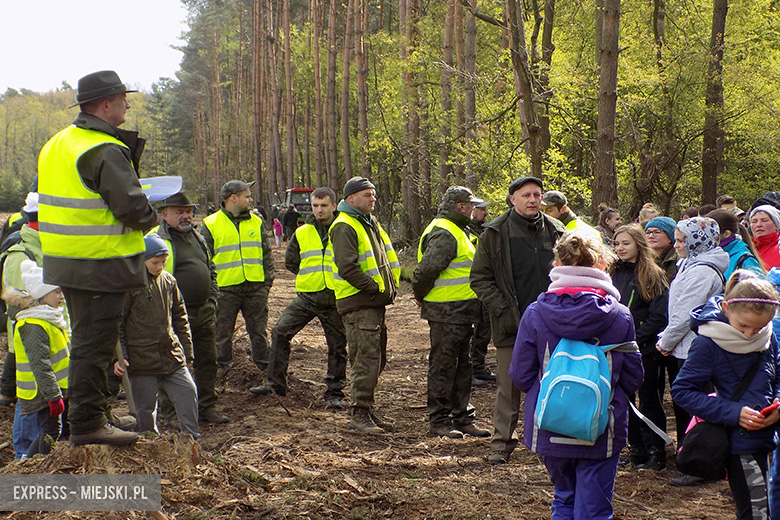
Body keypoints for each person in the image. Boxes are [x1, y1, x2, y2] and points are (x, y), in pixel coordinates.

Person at [38, 70, 157, 446]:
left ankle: (90, 415)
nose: (128, 104)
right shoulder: (102, 148)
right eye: (124, 98)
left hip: (67, 262)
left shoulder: (59, 142)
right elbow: (132, 209)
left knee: (88, 341)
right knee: (95, 344)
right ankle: (88, 423)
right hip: (100, 264)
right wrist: (154, 211)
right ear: (106, 104)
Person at [510, 232, 643, 520]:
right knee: (594, 509)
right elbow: (633, 377)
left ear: (556, 264)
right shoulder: (619, 315)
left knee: (564, 498)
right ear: (603, 265)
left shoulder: (535, 313)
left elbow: (520, 374)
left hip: (550, 422)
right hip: (602, 425)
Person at [470, 177, 566, 464]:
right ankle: (501, 445)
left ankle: (554, 443)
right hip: (512, 324)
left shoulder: (557, 231)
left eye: (537, 195)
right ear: (513, 199)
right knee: (509, 386)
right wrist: (502, 310)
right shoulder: (495, 232)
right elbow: (480, 279)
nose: (533, 200)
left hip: (554, 323)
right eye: (526, 195)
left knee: (555, 382)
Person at [672, 272, 780, 520]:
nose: (751, 334)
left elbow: (778, 375)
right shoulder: (709, 342)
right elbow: (682, 391)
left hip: (768, 437)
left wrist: (778, 404)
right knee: (756, 512)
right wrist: (734, 412)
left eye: (760, 327)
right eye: (743, 326)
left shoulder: (768, 335)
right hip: (740, 444)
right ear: (726, 308)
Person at [249, 187, 348, 410]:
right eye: (315, 206)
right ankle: (275, 385)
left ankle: (335, 393)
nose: (319, 210)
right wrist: (311, 276)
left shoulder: (345, 229)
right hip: (308, 296)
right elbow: (291, 262)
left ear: (334, 205)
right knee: (280, 331)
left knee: (337, 345)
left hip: (335, 297)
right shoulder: (302, 232)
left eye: (324, 205)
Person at [656, 216, 729, 487]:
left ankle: (700, 463)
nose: (675, 245)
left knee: (694, 407)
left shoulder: (702, 271)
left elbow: (686, 314)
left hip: (693, 349)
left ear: (697, 241)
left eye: (680, 240)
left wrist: (665, 342)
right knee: (685, 406)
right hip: (683, 347)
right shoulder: (692, 264)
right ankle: (689, 456)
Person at [412, 186, 490, 439]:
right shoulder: (444, 232)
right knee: (444, 366)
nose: (475, 210)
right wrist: (420, 296)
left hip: (462, 312)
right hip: (446, 312)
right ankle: (439, 420)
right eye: (471, 205)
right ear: (460, 207)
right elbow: (426, 271)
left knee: (462, 367)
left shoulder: (458, 230)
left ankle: (462, 417)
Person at [325, 177, 400, 434]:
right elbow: (347, 267)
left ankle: (367, 409)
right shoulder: (345, 225)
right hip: (360, 304)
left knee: (376, 358)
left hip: (372, 303)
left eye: (374, 194)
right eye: (367, 194)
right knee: (365, 359)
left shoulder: (366, 222)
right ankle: (359, 415)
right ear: (350, 199)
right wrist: (373, 288)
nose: (373, 198)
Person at [151, 192, 228, 425]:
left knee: (208, 360)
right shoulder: (156, 240)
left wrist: (212, 299)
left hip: (203, 310)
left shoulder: (198, 237)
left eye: (188, 211)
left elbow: (211, 270)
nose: (185, 216)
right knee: (172, 364)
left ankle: (206, 406)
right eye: (179, 212)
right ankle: (172, 413)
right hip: (172, 315)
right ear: (165, 214)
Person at [113, 235, 199, 438]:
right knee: (145, 409)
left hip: (171, 355)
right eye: (155, 262)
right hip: (141, 360)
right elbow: (118, 325)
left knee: (188, 391)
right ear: (141, 259)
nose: (160, 266)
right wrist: (119, 356)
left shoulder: (169, 280)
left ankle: (191, 439)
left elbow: (180, 317)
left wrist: (187, 352)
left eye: (164, 262)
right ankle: (149, 443)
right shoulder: (130, 286)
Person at [201, 180, 275, 386]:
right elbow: (204, 259)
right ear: (233, 198)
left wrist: (267, 283)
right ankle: (221, 375)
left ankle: (264, 373)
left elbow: (267, 254)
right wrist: (212, 288)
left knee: (259, 333)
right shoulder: (210, 224)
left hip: (255, 288)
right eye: (247, 195)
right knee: (221, 334)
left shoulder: (257, 222)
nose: (251, 199)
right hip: (225, 291)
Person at [611, 224, 669, 470]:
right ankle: (636, 450)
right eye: (617, 243)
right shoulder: (611, 273)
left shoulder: (652, 274)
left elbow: (659, 316)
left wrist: (636, 338)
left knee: (648, 400)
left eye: (626, 243)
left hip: (644, 350)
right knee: (624, 400)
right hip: (617, 349)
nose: (620, 248)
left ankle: (657, 451)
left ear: (638, 244)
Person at [2, 260, 69, 456]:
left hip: (50, 389)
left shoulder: (48, 319)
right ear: (41, 295)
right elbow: (40, 364)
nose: (61, 296)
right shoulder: (33, 324)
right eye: (56, 292)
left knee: (51, 431)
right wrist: (54, 397)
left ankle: (31, 466)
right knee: (51, 432)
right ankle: (31, 467)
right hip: (41, 392)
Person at [467, 199, 494, 386]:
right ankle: (470, 370)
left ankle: (478, 367)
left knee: (484, 330)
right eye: (481, 210)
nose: (485, 214)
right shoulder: (465, 232)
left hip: (484, 289)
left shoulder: (482, 231)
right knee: (471, 333)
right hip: (468, 291)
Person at [708, 209, 763, 281]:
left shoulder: (745, 260)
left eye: (711, 233)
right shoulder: (710, 255)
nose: (706, 237)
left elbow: (757, 289)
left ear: (727, 234)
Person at [643, 216, 678, 283]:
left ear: (670, 237)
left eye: (657, 232)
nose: (651, 236)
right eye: (648, 232)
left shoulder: (677, 260)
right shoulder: (642, 258)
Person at [749, 205, 780, 270]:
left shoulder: (778, 248)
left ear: (776, 225)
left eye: (764, 220)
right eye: (754, 221)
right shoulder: (746, 248)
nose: (758, 225)